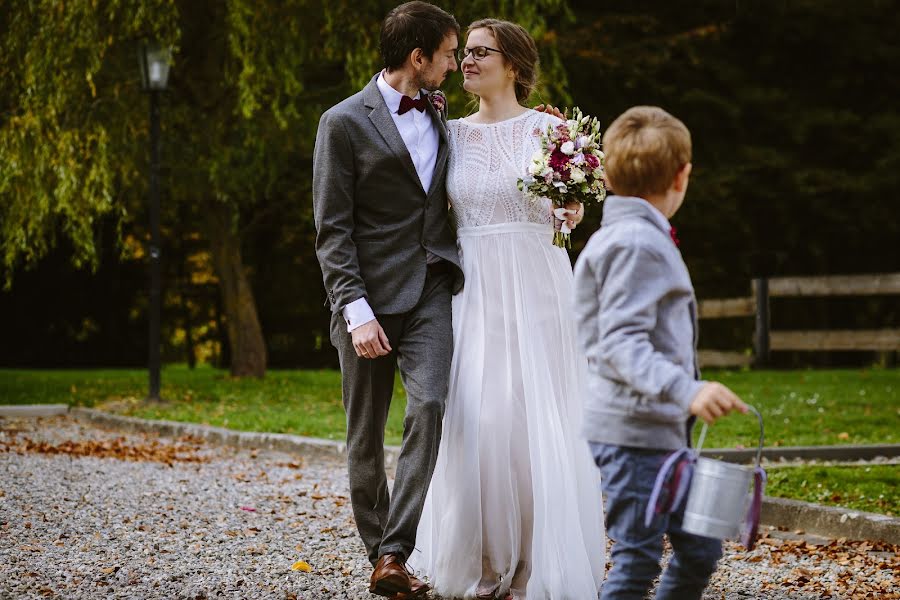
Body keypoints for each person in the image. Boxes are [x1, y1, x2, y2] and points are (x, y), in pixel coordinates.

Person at [409, 19, 605, 600]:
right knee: (482, 420)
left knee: (534, 426)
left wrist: (571, 211)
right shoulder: (448, 134)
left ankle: (532, 567)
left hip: (538, 285)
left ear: (513, 65)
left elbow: (573, 199)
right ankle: (488, 560)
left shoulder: (551, 131)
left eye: (479, 53)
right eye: (463, 53)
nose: (465, 61)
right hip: (473, 288)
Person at [311, 3, 462, 598]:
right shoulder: (341, 123)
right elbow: (332, 229)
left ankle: (396, 548)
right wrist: (355, 310)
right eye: (448, 54)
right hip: (368, 300)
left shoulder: (441, 112)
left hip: (430, 287)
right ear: (417, 57)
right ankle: (384, 560)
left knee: (428, 408)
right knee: (366, 435)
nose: (455, 64)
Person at [572, 105, 750, 600]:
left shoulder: (627, 236)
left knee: (699, 549)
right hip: (633, 435)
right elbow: (620, 342)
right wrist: (686, 389)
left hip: (657, 432)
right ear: (683, 175)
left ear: (606, 175)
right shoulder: (636, 244)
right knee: (636, 561)